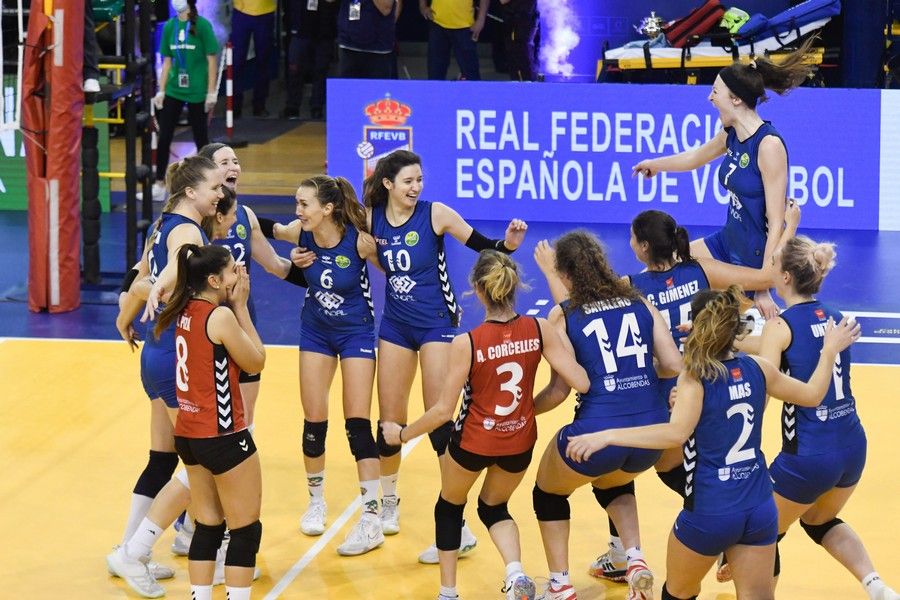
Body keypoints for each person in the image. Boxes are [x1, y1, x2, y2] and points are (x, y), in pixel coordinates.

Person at [565, 286, 861, 600]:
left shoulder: (695, 378)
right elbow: (813, 395)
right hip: (759, 507)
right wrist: (828, 352)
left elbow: (675, 434)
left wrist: (607, 435)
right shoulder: (758, 368)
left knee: (678, 592)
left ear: (699, 326)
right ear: (736, 330)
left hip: (711, 511)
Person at [581, 205, 799, 583]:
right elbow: (764, 276)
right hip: (719, 390)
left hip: (673, 398)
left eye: (633, 238)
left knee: (619, 473)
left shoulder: (631, 289)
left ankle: (623, 554)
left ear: (644, 247)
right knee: (724, 479)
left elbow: (588, 316)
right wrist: (787, 226)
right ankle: (746, 549)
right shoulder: (701, 269)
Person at [381, 250, 589, 600]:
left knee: (450, 505)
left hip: (475, 441)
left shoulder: (468, 342)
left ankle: (448, 593)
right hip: (519, 441)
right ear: (513, 288)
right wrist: (525, 409)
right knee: (494, 506)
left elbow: (443, 412)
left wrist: (400, 435)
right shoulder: (539, 329)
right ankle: (515, 573)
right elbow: (575, 384)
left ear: (478, 290)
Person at [363, 149, 528, 564]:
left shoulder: (435, 213)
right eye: (408, 181)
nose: (416, 187)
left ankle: (457, 525)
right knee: (389, 419)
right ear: (388, 184)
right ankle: (387, 504)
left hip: (436, 321)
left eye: (419, 179)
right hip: (396, 324)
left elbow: (483, 245)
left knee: (438, 415)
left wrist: (507, 244)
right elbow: (380, 262)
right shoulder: (371, 218)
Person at [742, 236, 898, 600]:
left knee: (760, 531)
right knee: (819, 521)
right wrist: (731, 340)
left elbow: (766, 379)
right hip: (852, 448)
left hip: (809, 457)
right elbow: (781, 343)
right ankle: (876, 586)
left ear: (783, 279)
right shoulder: (836, 318)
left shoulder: (781, 327)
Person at [530, 230, 682, 600]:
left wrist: (525, 411)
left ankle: (560, 585)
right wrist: (637, 374)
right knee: (613, 482)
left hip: (597, 435)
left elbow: (561, 390)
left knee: (547, 494)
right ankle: (635, 561)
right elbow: (674, 363)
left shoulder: (562, 314)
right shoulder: (639, 301)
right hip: (649, 437)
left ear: (565, 274)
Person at [632, 38, 817, 320]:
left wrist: (763, 284)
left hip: (752, 257)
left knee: (722, 326)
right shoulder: (730, 135)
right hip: (725, 241)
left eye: (715, 91)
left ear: (735, 99)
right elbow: (694, 158)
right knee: (656, 269)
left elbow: (775, 220)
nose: (710, 98)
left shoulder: (768, 146)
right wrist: (655, 165)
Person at [109, 155, 223, 598]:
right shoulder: (188, 229)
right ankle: (140, 550)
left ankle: (128, 548)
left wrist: (128, 309)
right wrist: (156, 289)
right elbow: (173, 269)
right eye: (214, 186)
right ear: (191, 191)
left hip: (155, 355)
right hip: (177, 357)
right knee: (204, 460)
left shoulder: (161, 223)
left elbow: (141, 273)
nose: (220, 194)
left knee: (163, 459)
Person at [268, 175, 385, 556]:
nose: (297, 211)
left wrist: (374, 255)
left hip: (356, 332)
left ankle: (371, 517)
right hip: (316, 331)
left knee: (357, 424)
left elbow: (393, 271)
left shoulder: (358, 238)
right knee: (314, 421)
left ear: (327, 209)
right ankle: (316, 502)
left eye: (304, 204)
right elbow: (263, 228)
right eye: (297, 204)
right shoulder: (300, 234)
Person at [156, 243, 266, 600]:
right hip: (223, 434)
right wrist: (240, 306)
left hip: (188, 435)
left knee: (208, 525)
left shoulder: (185, 310)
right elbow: (256, 361)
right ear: (216, 280)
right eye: (234, 270)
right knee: (246, 530)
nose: (240, 274)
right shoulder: (220, 317)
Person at [145, 0, 219, 203]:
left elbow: (212, 59)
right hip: (174, 90)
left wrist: (211, 92)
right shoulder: (170, 26)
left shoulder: (202, 25)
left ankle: (210, 184)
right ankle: (159, 183)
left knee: (201, 139)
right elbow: (167, 61)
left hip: (197, 90)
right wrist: (160, 90)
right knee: (164, 135)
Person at [282, 0, 339, 120]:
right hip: (300, 27)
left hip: (325, 29)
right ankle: (292, 106)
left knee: (321, 70)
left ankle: (317, 107)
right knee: (295, 69)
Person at [420, 0, 488, 81]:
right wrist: (422, 6)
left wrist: (481, 19)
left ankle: (473, 93)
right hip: (437, 23)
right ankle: (435, 93)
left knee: (471, 74)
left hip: (464, 26)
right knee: (435, 73)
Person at [231, 0, 276, 118]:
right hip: (241, 12)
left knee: (263, 62)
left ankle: (259, 106)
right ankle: (235, 107)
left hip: (265, 13)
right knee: (236, 62)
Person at [337, 0, 398, 79]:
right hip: (348, 43)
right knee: (348, 89)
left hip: (378, 47)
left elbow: (385, 9)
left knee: (377, 89)